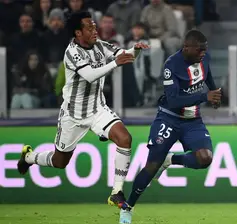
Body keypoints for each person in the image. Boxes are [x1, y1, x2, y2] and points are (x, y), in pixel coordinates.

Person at [16, 11, 149, 207]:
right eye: (90, 27)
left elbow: (123, 55)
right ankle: (29, 157)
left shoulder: (100, 45)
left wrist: (135, 50)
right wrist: (114, 63)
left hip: (97, 109)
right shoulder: (71, 52)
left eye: (94, 26)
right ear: (78, 33)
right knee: (60, 162)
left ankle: (117, 192)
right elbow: (90, 75)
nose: (95, 30)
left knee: (124, 138)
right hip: (73, 114)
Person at [119, 29, 222, 224]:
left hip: (193, 121)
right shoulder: (171, 65)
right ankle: (128, 206)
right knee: (151, 165)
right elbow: (174, 101)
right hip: (169, 119)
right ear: (186, 48)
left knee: (205, 159)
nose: (203, 54)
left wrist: (214, 92)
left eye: (204, 50)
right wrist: (204, 96)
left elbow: (207, 76)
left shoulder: (203, 58)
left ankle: (171, 160)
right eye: (199, 50)